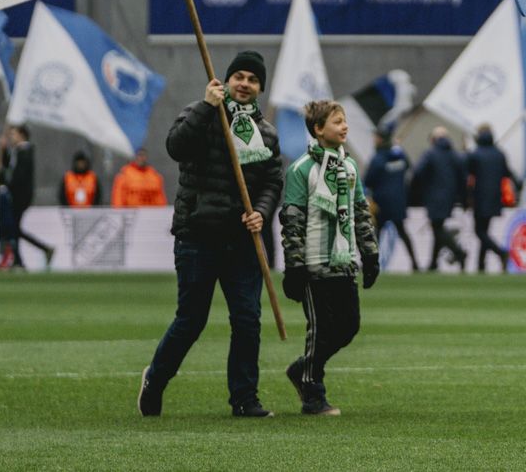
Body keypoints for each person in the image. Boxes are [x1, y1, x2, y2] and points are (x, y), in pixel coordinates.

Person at [139, 51, 285, 419]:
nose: (245, 84)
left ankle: (244, 398)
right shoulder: (200, 113)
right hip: (197, 236)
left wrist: (262, 213)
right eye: (239, 76)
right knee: (191, 320)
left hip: (242, 241)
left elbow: (272, 181)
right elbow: (175, 147)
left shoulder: (266, 132)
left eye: (253, 80)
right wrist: (207, 107)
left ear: (260, 89)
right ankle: (154, 381)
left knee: (248, 320)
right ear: (226, 79)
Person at [279, 100, 377, 416]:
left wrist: (370, 254)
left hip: (343, 262)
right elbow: (292, 220)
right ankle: (312, 393)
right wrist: (294, 266)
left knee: (349, 326)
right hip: (313, 265)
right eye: (337, 122)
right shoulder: (300, 170)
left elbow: (360, 213)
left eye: (344, 120)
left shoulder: (349, 167)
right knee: (320, 329)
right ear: (318, 130)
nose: (344, 127)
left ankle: (302, 368)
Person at [409, 128, 469, 271]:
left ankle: (459, 252)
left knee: (437, 228)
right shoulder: (455, 155)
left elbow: (417, 173)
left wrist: (417, 192)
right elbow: (463, 178)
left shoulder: (430, 154)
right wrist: (464, 198)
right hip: (450, 198)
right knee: (438, 226)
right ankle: (433, 263)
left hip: (433, 197)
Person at [363, 128, 420, 272]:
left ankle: (370, 264)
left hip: (381, 202)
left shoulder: (378, 158)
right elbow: (408, 166)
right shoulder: (399, 154)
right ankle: (415, 264)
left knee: (376, 235)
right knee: (403, 232)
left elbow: (368, 180)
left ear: (380, 139)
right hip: (398, 201)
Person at [0, 126, 55, 270]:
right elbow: (9, 165)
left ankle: (21, 260)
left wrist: (4, 179)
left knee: (13, 229)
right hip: (17, 195)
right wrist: (3, 151)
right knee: (14, 229)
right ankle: (36, 253)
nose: (11, 137)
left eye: (14, 134)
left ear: (22, 135)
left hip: (20, 197)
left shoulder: (25, 152)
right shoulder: (18, 151)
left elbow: (17, 176)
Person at [465, 124, 513, 273]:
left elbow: (468, 176)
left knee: (479, 231)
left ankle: (501, 252)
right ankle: (481, 264)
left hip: (479, 198)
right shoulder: (499, 154)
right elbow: (507, 173)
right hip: (495, 198)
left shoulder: (475, 154)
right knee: (484, 231)